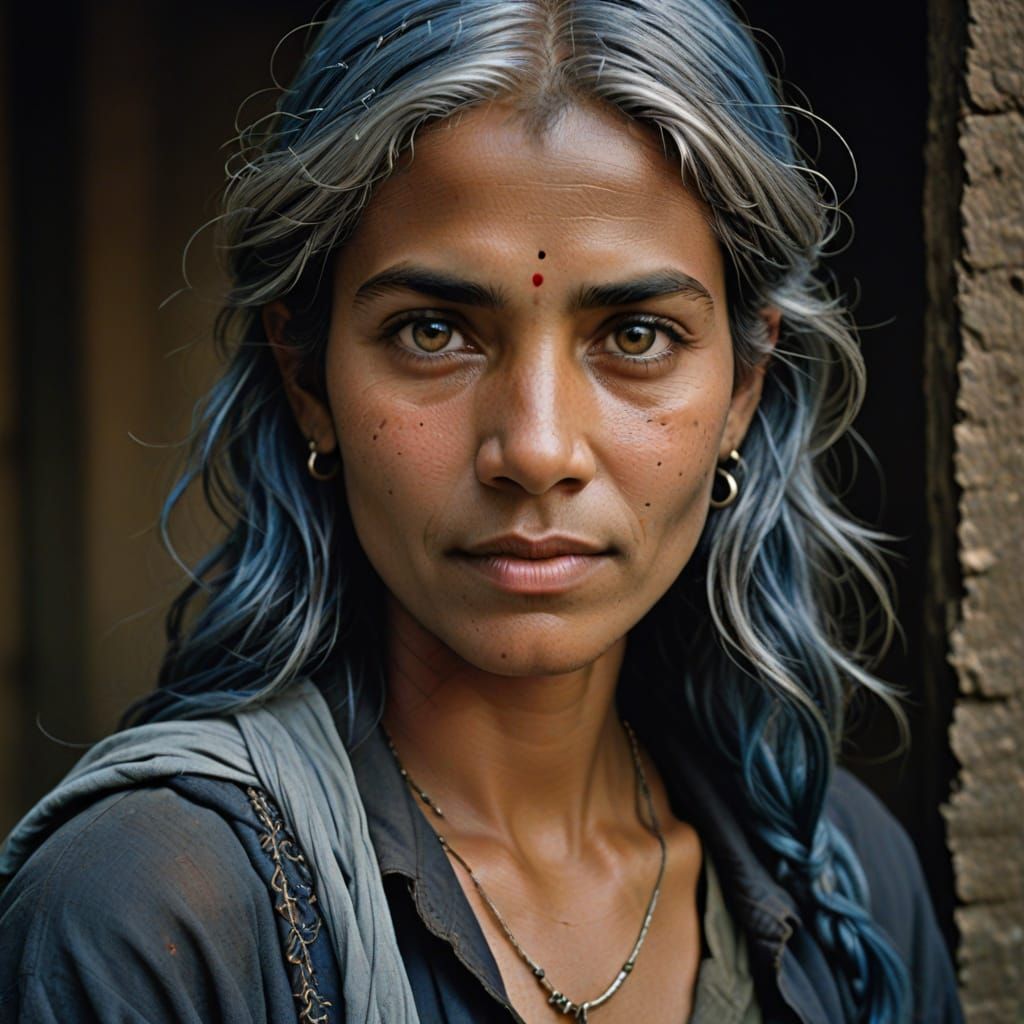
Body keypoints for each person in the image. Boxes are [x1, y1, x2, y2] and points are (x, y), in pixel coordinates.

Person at [0, 1, 962, 1022]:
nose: (536, 447)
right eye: (432, 331)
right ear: (306, 375)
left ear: (743, 386)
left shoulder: (842, 888)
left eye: (635, 334)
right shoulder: (148, 914)